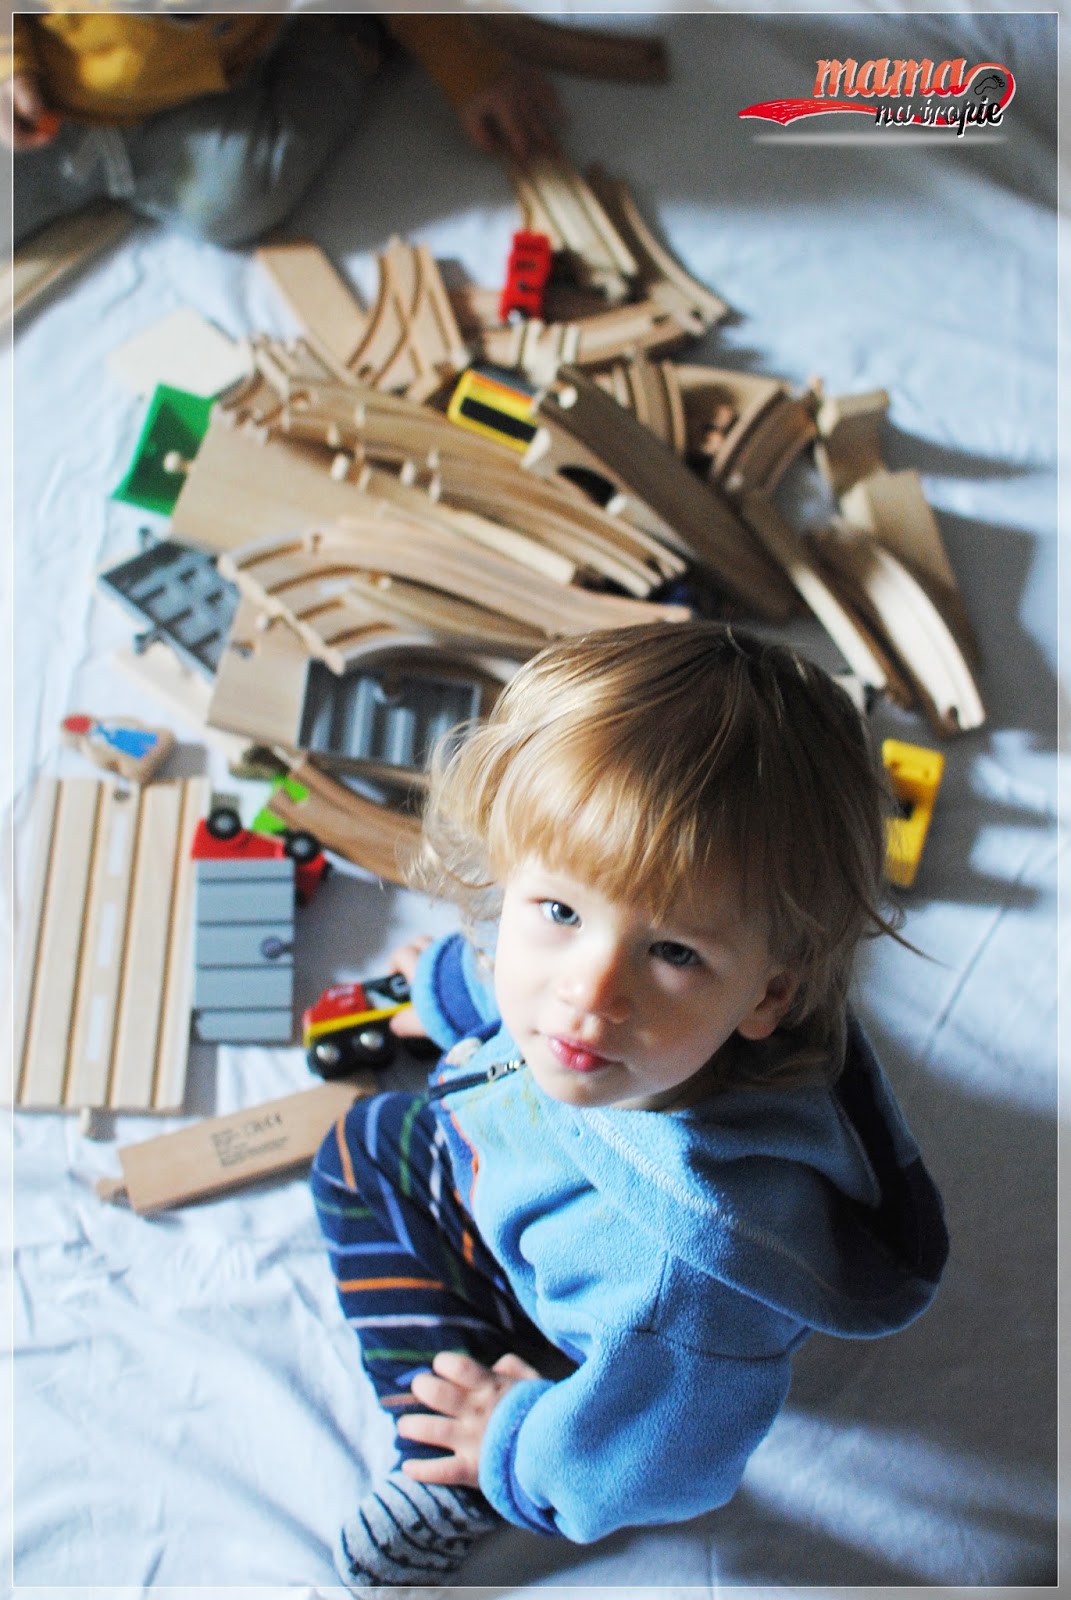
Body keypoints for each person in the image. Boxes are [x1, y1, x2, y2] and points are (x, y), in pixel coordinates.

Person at [311, 620, 949, 1591]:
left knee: (357, 1168)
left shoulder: (681, 1294)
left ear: (769, 994)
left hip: (581, 1331)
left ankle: (451, 1463)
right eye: (560, 911)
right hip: (523, 1164)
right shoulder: (625, 1026)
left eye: (674, 953)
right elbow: (520, 961)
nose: (590, 992)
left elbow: (658, 1468)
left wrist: (517, 1444)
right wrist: (447, 990)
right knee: (365, 1140)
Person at [1, 12, 564, 249]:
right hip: (40, 72)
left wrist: (467, 65)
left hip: (210, 92)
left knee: (236, 197)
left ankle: (346, 31)